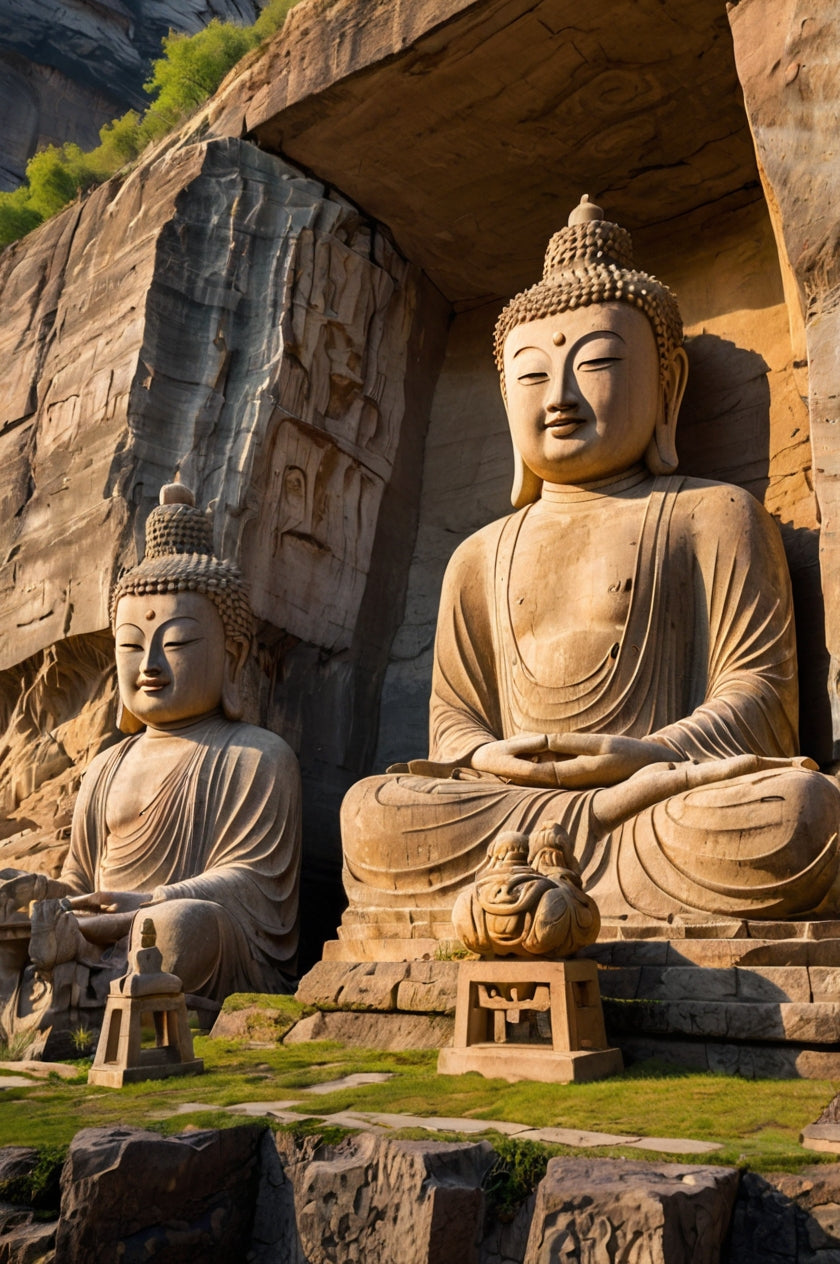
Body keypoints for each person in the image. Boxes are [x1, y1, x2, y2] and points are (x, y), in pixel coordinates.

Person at [336, 196, 840, 955]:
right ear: (506, 396)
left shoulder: (713, 513)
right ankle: (541, 873)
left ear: (667, 385)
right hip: (504, 813)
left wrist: (649, 755)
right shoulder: (479, 554)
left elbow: (759, 697)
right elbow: (455, 722)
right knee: (375, 810)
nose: (561, 397)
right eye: (532, 376)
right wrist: (484, 756)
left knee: (797, 810)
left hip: (655, 797)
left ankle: (523, 889)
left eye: (597, 364)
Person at [0, 483, 301, 1051]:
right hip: (99, 931)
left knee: (181, 926)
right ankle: (60, 1008)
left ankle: (86, 1003)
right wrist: (39, 892)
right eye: (132, 646)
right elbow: (82, 883)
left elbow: (255, 887)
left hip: (170, 932)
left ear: (233, 656)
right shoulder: (106, 766)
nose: (151, 665)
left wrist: (145, 903)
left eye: (178, 643)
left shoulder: (258, 755)